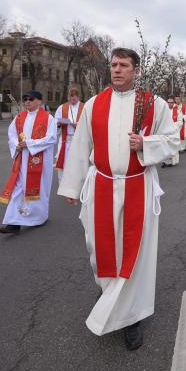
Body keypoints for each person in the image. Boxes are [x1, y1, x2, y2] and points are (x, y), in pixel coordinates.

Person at [57, 48, 178, 351]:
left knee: (133, 252)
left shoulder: (153, 103)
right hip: (102, 185)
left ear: (136, 70)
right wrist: (71, 186)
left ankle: (130, 318)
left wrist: (145, 143)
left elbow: (174, 139)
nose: (117, 70)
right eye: (113, 65)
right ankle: (109, 292)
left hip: (138, 185)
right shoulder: (94, 105)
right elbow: (80, 145)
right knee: (100, 248)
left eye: (124, 65)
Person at [0, 90, 57, 233]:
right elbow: (11, 134)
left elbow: (52, 138)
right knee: (18, 190)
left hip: (39, 161)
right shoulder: (19, 117)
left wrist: (29, 144)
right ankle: (14, 222)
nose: (27, 102)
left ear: (39, 101)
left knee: (38, 190)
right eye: (25, 99)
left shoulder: (48, 118)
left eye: (31, 99)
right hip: (21, 160)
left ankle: (39, 217)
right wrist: (16, 144)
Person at [54, 87, 85, 182]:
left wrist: (78, 125)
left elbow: (89, 123)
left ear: (78, 97)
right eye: (70, 97)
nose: (72, 99)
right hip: (65, 140)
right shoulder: (62, 107)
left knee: (77, 165)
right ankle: (63, 184)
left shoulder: (84, 107)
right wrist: (59, 123)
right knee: (64, 164)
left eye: (74, 97)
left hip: (79, 141)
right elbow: (55, 122)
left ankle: (77, 185)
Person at [163, 97, 183, 167]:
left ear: (173, 103)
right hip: (165, 132)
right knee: (165, 147)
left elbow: (180, 122)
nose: (170, 104)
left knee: (172, 147)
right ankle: (165, 161)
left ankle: (172, 161)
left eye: (171, 102)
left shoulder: (177, 112)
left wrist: (172, 126)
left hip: (173, 132)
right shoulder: (163, 112)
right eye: (168, 102)